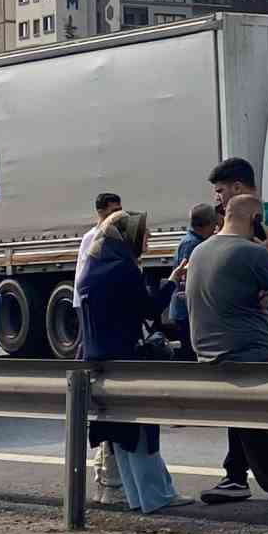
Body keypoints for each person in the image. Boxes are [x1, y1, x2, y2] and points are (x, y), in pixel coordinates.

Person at [187, 194, 268, 516]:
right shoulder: (252, 252)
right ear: (256, 220)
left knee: (249, 428)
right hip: (255, 351)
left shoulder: (200, 250)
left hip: (211, 355)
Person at [79, 210, 192, 514]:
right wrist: (171, 282)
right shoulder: (122, 269)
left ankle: (137, 496)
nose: (148, 238)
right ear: (127, 237)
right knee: (140, 430)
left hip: (99, 361)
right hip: (126, 357)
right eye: (143, 233)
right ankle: (156, 497)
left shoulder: (93, 266)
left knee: (121, 434)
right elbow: (148, 307)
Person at [198, 158, 268, 505]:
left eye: (222, 191)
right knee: (243, 413)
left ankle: (256, 479)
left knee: (266, 417)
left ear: (238, 187)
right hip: (243, 329)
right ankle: (240, 474)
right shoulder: (230, 224)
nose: (218, 200)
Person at [74, 193, 125, 506]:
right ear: (101, 212)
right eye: (113, 210)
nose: (117, 215)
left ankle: (104, 474)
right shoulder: (93, 239)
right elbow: (81, 278)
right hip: (91, 317)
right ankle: (105, 476)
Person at [168, 203, 218, 361]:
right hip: (186, 311)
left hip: (187, 310)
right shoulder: (192, 244)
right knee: (190, 355)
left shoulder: (192, 241)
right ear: (209, 224)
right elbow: (188, 278)